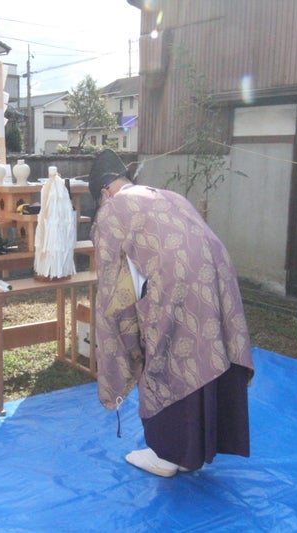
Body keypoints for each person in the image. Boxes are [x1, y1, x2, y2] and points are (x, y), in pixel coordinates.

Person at [87, 149, 255, 477]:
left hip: (174, 280)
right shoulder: (166, 196)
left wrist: (122, 332)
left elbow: (113, 282)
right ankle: (194, 448)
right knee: (204, 346)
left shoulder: (113, 209)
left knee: (165, 351)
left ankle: (166, 454)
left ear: (105, 191)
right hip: (216, 273)